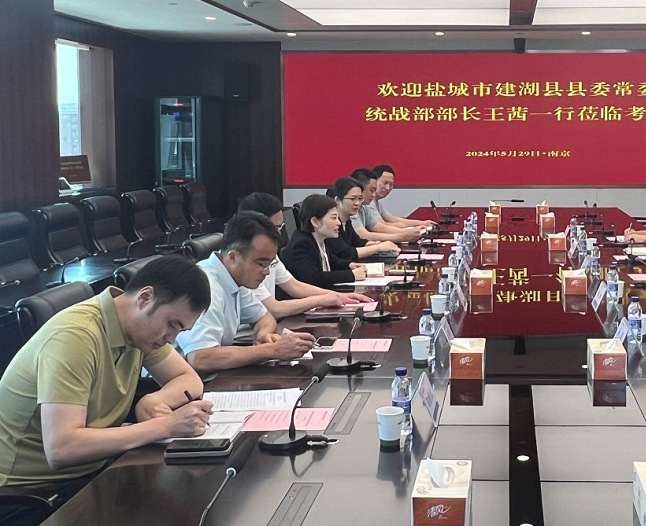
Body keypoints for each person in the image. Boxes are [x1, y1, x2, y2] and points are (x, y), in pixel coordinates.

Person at [0, 256, 214, 525]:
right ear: (145, 298)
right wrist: (166, 425)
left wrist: (152, 400)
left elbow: (189, 379)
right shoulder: (75, 336)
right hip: (29, 493)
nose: (171, 339)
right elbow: (62, 448)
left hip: (93, 467)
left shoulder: (136, 329)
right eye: (172, 324)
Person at [175, 211, 316, 373]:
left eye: (269, 264)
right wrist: (271, 350)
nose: (266, 272)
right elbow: (200, 358)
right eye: (261, 264)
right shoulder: (207, 287)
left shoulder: (233, 278)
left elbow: (265, 317)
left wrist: (263, 336)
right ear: (233, 257)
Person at [237, 192, 372, 319]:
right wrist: (321, 299)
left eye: (280, 227)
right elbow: (274, 309)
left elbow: (295, 286)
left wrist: (341, 296)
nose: (278, 235)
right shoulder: (243, 263)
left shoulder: (271, 255)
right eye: (274, 228)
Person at [283, 194, 369, 288]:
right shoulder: (301, 244)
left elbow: (333, 261)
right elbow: (313, 278)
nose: (339, 223)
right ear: (315, 222)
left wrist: (350, 265)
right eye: (333, 218)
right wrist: (351, 275)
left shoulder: (319, 238)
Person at [325, 177, 400, 260]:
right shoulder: (331, 224)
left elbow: (358, 242)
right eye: (353, 199)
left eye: (360, 199)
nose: (357, 203)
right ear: (337, 200)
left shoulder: (347, 221)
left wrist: (379, 244)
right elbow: (345, 253)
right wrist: (378, 247)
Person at [348, 168, 421, 244]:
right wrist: (402, 236)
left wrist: (408, 232)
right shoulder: (350, 208)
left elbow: (377, 226)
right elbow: (363, 235)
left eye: (391, 184)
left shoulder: (364, 206)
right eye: (372, 190)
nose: (373, 195)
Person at [372, 164, 436, 229]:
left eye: (391, 184)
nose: (387, 188)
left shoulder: (377, 203)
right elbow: (381, 226)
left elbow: (393, 219)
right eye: (385, 183)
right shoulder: (369, 202)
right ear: (373, 181)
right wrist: (404, 227)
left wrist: (423, 223)